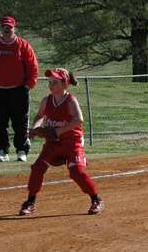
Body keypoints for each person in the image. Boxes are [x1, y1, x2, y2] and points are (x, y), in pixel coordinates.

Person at [19, 68, 105, 216]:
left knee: (76, 172)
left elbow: (79, 119)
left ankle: (96, 199)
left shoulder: (70, 100)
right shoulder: (46, 100)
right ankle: (30, 202)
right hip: (53, 143)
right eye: (50, 82)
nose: (51, 85)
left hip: (72, 142)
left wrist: (57, 132)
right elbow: (39, 116)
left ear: (65, 84)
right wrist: (35, 128)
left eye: (55, 82)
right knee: (37, 168)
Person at [0, 15, 39, 162]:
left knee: (20, 122)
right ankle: (2, 150)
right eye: (4, 27)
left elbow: (33, 67)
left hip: (18, 90)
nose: (7, 30)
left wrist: (28, 85)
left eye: (10, 27)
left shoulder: (23, 45)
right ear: (1, 28)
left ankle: (21, 150)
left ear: (14, 28)